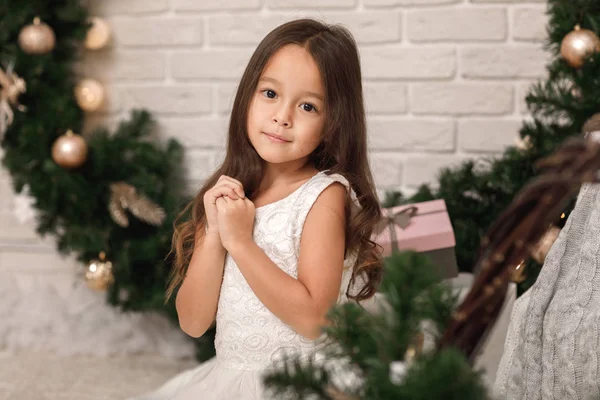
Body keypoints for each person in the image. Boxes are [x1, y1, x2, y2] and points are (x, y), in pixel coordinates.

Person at [129, 18, 384, 400]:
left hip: (304, 383)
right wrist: (216, 234)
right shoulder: (229, 197)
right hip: (233, 378)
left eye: (308, 105)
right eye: (270, 94)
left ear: (333, 122)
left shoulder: (323, 196)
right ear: (247, 95)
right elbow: (194, 322)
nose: (283, 116)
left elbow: (316, 320)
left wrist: (241, 243)